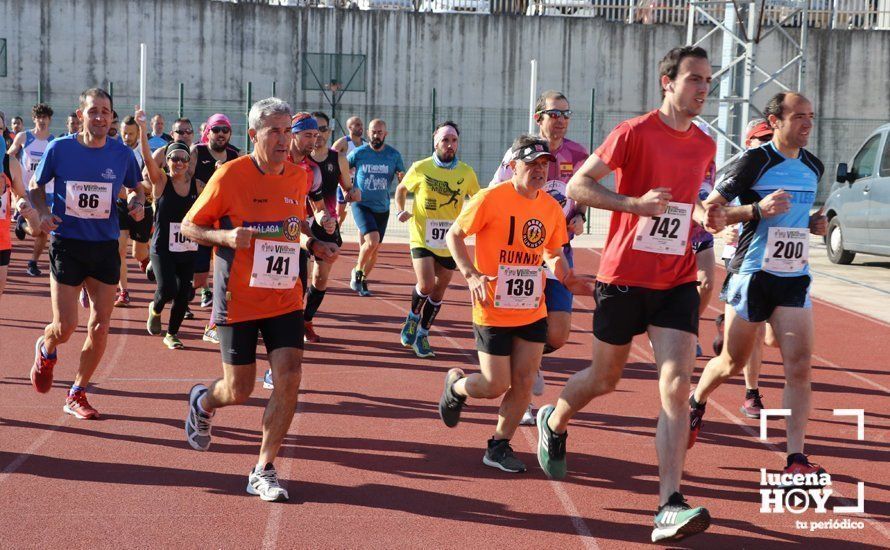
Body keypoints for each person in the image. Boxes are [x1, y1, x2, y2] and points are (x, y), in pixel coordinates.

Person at [535, 46, 726, 543]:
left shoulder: (705, 146)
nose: (703, 88)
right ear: (668, 82)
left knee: (675, 388)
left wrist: (708, 213)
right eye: (694, 80)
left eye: (708, 80)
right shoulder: (632, 133)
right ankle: (553, 418)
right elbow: (577, 186)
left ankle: (669, 503)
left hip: (677, 279)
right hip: (623, 278)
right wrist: (632, 204)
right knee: (604, 378)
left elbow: (695, 199)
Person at [181, 97, 338, 501]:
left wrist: (313, 243)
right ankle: (203, 400)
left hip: (285, 297)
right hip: (239, 297)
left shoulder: (298, 176)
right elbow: (189, 226)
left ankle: (263, 468)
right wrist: (226, 237)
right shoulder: (229, 176)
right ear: (254, 135)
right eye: (276, 131)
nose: (285, 139)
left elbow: (293, 223)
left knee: (289, 377)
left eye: (289, 130)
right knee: (240, 389)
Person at [689, 92, 828, 481]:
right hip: (752, 274)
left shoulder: (813, 166)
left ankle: (796, 456)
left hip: (794, 278)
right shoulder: (755, 161)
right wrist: (755, 210)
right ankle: (696, 400)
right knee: (732, 363)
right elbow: (707, 213)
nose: (807, 124)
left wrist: (813, 225)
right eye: (799, 116)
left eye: (811, 116)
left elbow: (799, 218)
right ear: (776, 120)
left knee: (799, 366)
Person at [440, 134, 592, 473]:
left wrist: (566, 277)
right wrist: (471, 274)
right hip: (492, 306)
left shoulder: (551, 207)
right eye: (531, 164)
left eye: (543, 165)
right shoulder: (491, 198)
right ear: (513, 166)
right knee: (495, 384)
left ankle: (498, 446)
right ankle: (457, 386)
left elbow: (552, 250)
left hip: (530, 307)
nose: (539, 171)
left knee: (523, 381)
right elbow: (454, 235)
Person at [28, 89, 145, 420]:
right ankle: (46, 348)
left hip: (105, 246)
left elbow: (138, 189)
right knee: (65, 327)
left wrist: (137, 204)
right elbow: (36, 187)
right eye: (94, 111)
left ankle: (77, 391)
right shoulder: (60, 148)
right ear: (80, 115)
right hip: (68, 244)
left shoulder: (121, 154)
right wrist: (42, 212)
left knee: (101, 325)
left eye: (106, 112)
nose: (100, 117)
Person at [491, 90, 589, 425]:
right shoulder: (520, 152)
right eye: (554, 113)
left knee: (558, 333)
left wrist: (581, 215)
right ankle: (524, 387)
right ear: (539, 118)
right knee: (524, 326)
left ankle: (529, 360)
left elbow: (583, 190)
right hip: (523, 255)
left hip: (559, 249)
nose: (561, 119)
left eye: (566, 113)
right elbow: (495, 189)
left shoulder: (578, 153)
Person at [395, 121, 479, 358]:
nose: (450, 145)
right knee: (426, 285)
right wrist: (401, 208)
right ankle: (412, 318)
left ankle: (422, 333)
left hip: (450, 241)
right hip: (422, 235)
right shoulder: (421, 168)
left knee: (438, 292)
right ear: (435, 142)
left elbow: (477, 198)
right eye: (445, 140)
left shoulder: (466, 172)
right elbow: (401, 189)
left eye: (453, 140)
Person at [714, 118, 779, 419]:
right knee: (751, 338)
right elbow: (712, 210)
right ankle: (751, 393)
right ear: (748, 142)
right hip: (743, 258)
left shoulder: (784, 169)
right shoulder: (737, 171)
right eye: (759, 139)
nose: (765, 144)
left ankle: (724, 319)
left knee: (771, 338)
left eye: (770, 138)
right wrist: (723, 228)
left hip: (779, 261)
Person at [143, 131, 203, 349]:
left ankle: (172, 333)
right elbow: (149, 159)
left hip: (187, 247)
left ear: (189, 162)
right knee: (167, 289)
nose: (178, 163)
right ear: (166, 161)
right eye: (173, 158)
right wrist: (142, 131)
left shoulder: (197, 186)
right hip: (162, 247)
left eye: (183, 159)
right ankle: (155, 309)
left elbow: (215, 201)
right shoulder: (161, 182)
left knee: (183, 294)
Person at [302, 111, 355, 342]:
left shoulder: (338, 159)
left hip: (327, 223)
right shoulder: (300, 159)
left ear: (329, 131)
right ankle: (291, 323)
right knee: (298, 277)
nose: (319, 135)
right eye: (314, 131)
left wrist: (354, 192)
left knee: (320, 278)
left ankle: (307, 319)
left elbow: (347, 189)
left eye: (323, 129)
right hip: (301, 222)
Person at [190, 114, 240, 344]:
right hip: (197, 222)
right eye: (217, 129)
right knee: (197, 279)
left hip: (222, 224)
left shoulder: (234, 156)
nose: (221, 134)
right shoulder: (196, 152)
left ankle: (213, 325)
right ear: (208, 131)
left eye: (225, 130)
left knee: (225, 275)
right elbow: (185, 180)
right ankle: (169, 296)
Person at [347, 119, 405, 297]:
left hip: (382, 207)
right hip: (361, 204)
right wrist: (347, 189)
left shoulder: (393, 155)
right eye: (373, 132)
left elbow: (403, 179)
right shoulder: (359, 153)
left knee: (375, 248)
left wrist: (403, 178)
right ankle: (357, 272)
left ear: (385, 134)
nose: (376, 135)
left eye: (380, 132)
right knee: (372, 240)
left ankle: (362, 278)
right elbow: (342, 169)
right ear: (368, 133)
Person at [7, 102, 55, 277]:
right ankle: (22, 224)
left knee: (44, 230)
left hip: (47, 192)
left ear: (49, 120)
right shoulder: (23, 137)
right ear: (34, 119)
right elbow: (8, 158)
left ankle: (32, 262)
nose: (42, 121)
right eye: (39, 117)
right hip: (27, 192)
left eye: (45, 118)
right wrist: (11, 182)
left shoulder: (53, 142)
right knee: (36, 231)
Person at [113, 115, 153, 306]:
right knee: (119, 249)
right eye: (124, 134)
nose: (127, 137)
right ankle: (124, 291)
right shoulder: (115, 151)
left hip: (141, 206)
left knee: (138, 253)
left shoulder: (144, 154)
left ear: (138, 133)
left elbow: (150, 184)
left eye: (130, 133)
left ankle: (145, 259)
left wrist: (134, 189)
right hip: (120, 206)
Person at [1, 147, 41, 305]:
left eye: (0, 128)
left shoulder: (10, 163)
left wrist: (22, 203)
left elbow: (19, 194)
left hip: (1, 239)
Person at [332, 116, 366, 225]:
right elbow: (330, 159)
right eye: (357, 125)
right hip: (344, 184)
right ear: (349, 127)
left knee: (362, 212)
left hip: (360, 185)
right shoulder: (343, 143)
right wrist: (344, 168)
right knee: (339, 213)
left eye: (361, 124)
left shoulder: (366, 144)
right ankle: (337, 228)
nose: (360, 127)